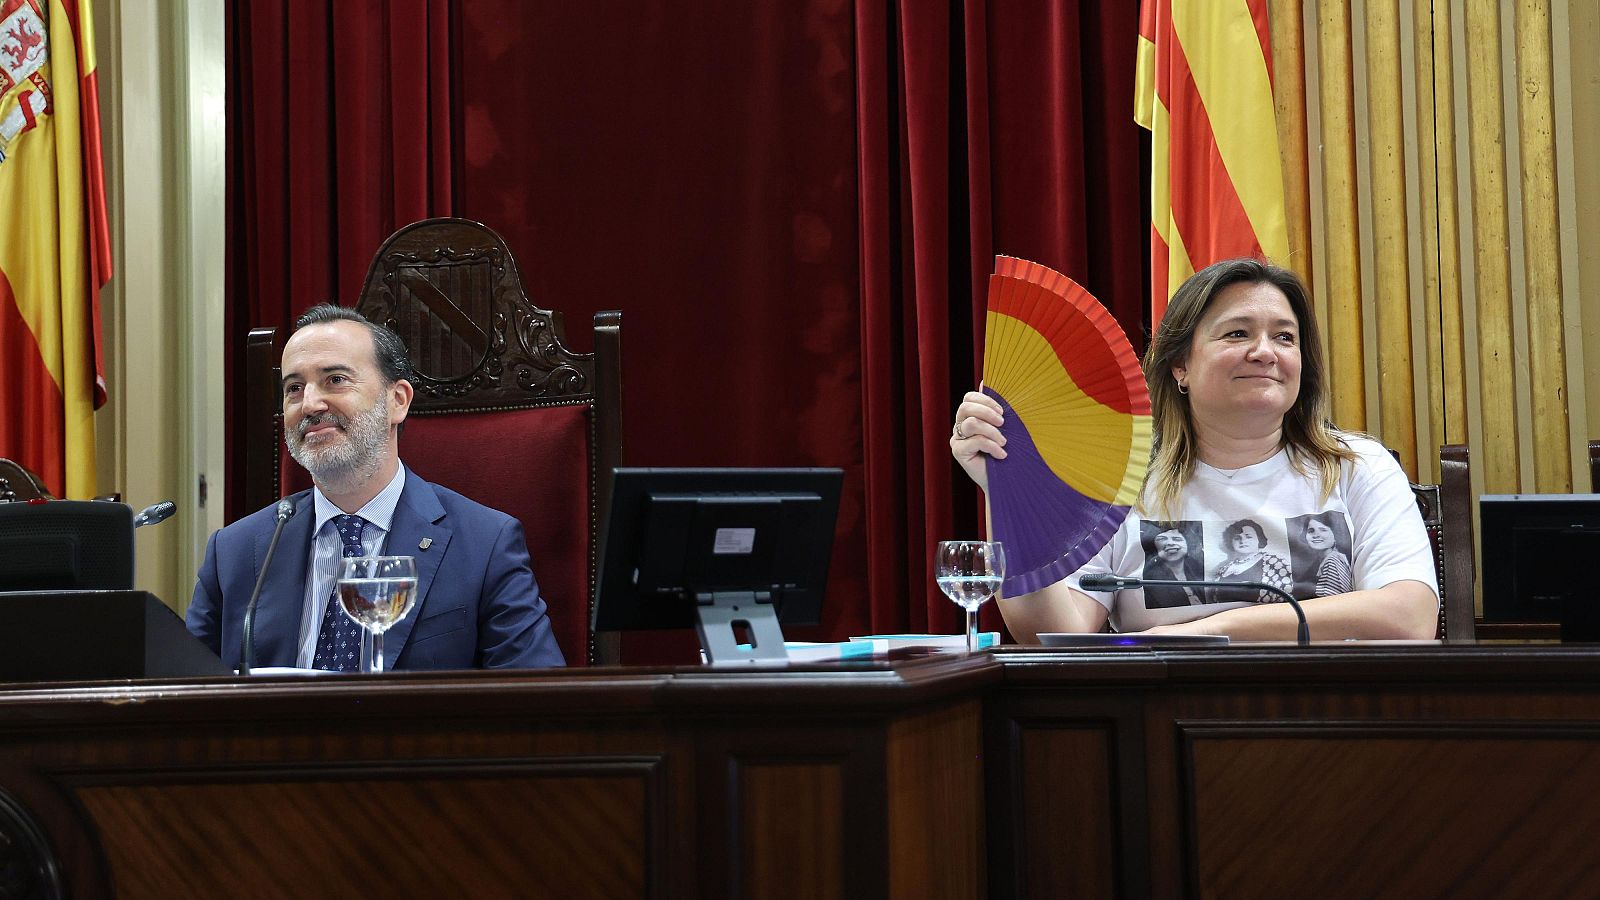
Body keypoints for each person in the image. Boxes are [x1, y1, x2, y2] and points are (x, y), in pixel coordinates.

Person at [950, 257, 1438, 641]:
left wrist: (1206, 631)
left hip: (1329, 722)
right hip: (1166, 722)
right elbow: (1052, 633)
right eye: (1238, 333)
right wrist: (1008, 489)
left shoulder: (1355, 465)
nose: (1265, 352)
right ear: (1180, 365)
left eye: (1284, 337)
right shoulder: (1123, 479)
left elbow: (1410, 617)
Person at [187, 304, 566, 670]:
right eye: (294, 388)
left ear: (396, 401)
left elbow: (539, 702)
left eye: (335, 380)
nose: (310, 403)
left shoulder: (485, 545)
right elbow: (181, 694)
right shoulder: (234, 553)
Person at [1211, 518, 1293, 604]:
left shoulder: (1276, 563)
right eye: (1237, 538)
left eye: (1248, 537)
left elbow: (1287, 600)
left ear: (1259, 539)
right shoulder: (1223, 570)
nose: (1242, 541)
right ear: (1231, 542)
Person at [1140, 522, 1206, 608]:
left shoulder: (1199, 569)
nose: (1170, 543)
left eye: (1176, 539)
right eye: (1162, 539)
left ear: (1187, 544)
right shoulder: (1149, 579)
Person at [1299, 511, 1353, 597]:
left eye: (1323, 530)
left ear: (1335, 535)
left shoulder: (1332, 562)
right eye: (1311, 531)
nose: (1316, 535)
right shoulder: (1323, 561)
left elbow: (1334, 604)